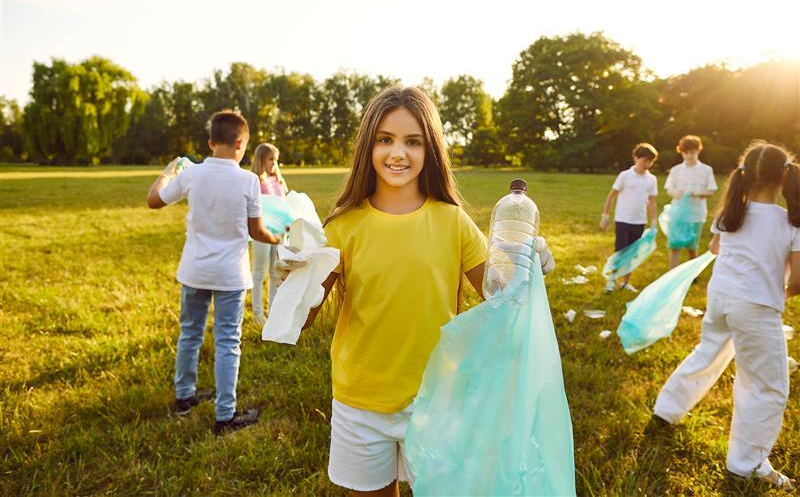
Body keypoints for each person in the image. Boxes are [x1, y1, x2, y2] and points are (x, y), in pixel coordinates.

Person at [298, 87, 554, 496]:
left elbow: (501, 298)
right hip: (360, 399)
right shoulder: (342, 227)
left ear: (429, 149)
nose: (397, 153)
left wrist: (527, 267)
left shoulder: (452, 221)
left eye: (412, 141)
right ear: (368, 145)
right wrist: (293, 278)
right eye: (385, 139)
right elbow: (301, 320)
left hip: (439, 398)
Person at [653, 141, 800, 490]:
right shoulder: (789, 223)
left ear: (746, 176)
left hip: (720, 298)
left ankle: (666, 409)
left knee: (708, 352)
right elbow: (798, 280)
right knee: (767, 385)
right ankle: (747, 464)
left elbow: (716, 248)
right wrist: (781, 292)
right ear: (783, 177)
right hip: (756, 307)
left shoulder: (729, 213)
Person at [146, 110, 279, 435]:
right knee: (227, 342)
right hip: (230, 275)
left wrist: (166, 174)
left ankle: (184, 397)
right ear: (239, 143)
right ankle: (224, 415)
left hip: (194, 271)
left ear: (210, 142)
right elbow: (257, 231)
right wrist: (280, 238)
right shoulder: (248, 180)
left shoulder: (192, 175)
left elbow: (153, 201)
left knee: (189, 334)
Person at [600, 143, 659, 293]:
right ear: (636, 158)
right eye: (645, 160)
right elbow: (611, 196)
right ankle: (612, 280)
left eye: (650, 162)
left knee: (632, 253)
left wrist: (653, 222)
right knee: (620, 251)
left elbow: (652, 201)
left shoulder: (651, 179)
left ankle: (625, 283)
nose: (648, 164)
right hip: (623, 220)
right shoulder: (625, 175)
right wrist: (605, 216)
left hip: (639, 221)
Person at [664, 135, 717, 269]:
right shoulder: (676, 170)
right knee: (674, 245)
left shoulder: (706, 170)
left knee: (692, 247)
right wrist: (675, 193)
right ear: (681, 152)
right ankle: (672, 274)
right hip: (678, 214)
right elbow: (669, 188)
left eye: (692, 152)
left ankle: (691, 274)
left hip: (696, 213)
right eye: (686, 152)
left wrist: (697, 194)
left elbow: (711, 191)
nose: (689, 156)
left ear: (698, 151)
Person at [250, 143, 288, 326]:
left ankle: (272, 310)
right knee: (258, 272)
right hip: (261, 232)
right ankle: (257, 314)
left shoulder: (279, 181)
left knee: (275, 272)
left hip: (279, 233)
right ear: (261, 160)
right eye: (270, 159)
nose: (274, 164)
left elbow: (285, 205)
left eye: (276, 160)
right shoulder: (255, 181)